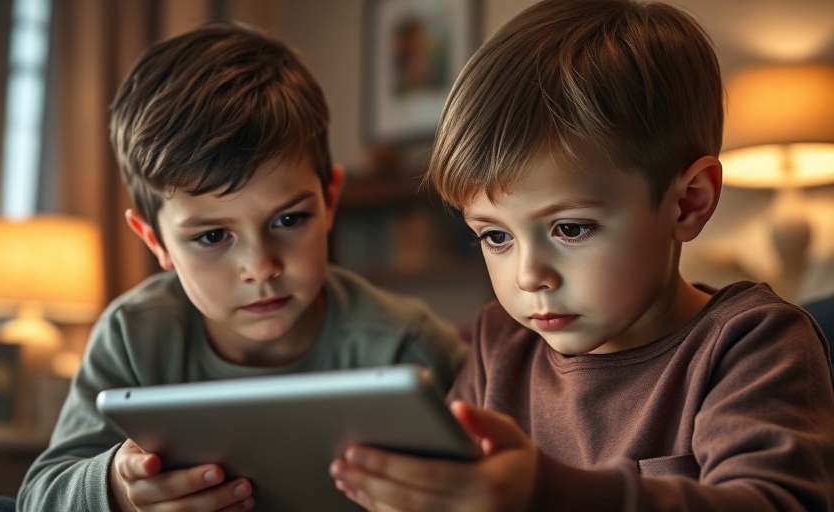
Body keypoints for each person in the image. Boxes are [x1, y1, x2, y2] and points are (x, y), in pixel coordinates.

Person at [329, 0, 834, 510]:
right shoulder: (497, 350)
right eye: (494, 237)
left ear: (689, 202)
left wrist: (542, 493)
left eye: (570, 228)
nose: (529, 277)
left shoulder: (752, 345)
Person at [10, 21, 468, 512]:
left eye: (289, 219)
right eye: (211, 236)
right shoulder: (134, 336)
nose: (260, 267)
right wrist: (119, 491)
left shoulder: (405, 342)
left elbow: (492, 478)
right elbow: (38, 496)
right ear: (155, 240)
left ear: (329, 200)